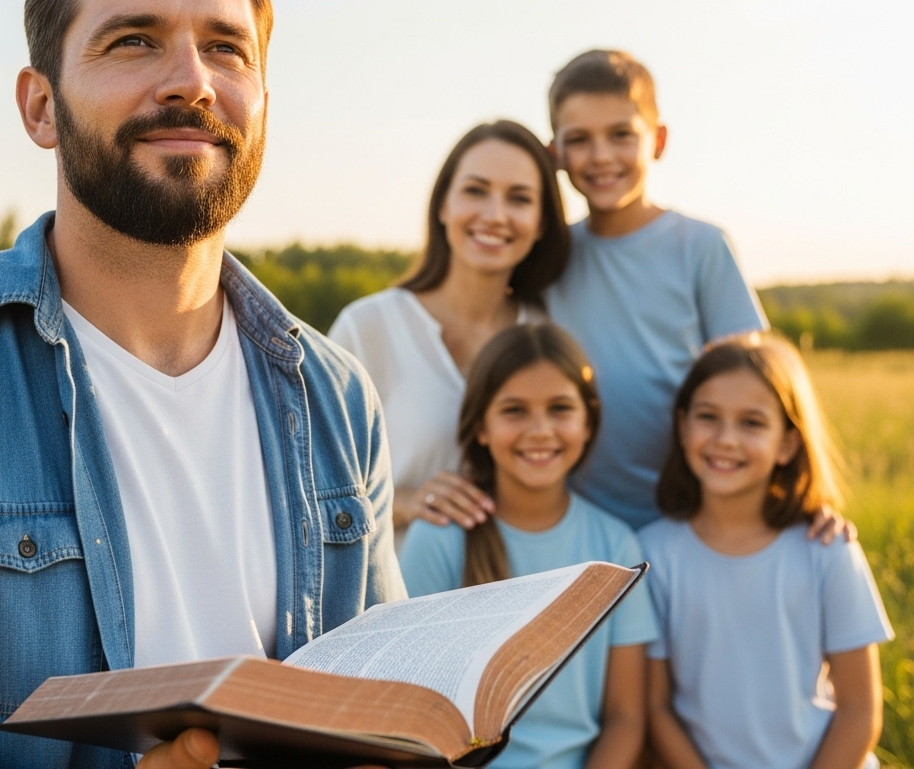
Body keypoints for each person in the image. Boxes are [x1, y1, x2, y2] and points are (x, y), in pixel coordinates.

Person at [0, 0, 404, 769]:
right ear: (40, 107)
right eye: (134, 41)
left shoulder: (337, 396)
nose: (191, 82)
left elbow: (377, 708)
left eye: (225, 49)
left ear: (263, 105)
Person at [400, 323, 658, 769]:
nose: (540, 430)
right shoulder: (440, 537)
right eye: (514, 410)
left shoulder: (616, 545)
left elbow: (625, 717)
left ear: (588, 421)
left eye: (560, 408)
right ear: (481, 426)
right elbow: (412, 713)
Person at [641, 332, 892, 769]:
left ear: (787, 443)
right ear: (682, 427)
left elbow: (859, 710)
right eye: (707, 417)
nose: (727, 439)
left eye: (752, 423)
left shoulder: (827, 550)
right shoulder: (652, 556)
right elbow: (656, 709)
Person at [544, 48, 770, 530]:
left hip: (691, 512)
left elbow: (759, 381)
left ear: (659, 139)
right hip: (583, 518)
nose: (602, 155)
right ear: (555, 154)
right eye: (579, 139)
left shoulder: (701, 246)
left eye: (622, 135)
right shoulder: (550, 258)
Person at [329, 120, 569, 541]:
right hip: (395, 597)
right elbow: (305, 487)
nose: (495, 215)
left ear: (542, 222)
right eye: (475, 191)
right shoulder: (367, 328)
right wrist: (405, 502)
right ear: (443, 205)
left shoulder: (549, 336)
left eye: (519, 198)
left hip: (518, 597)